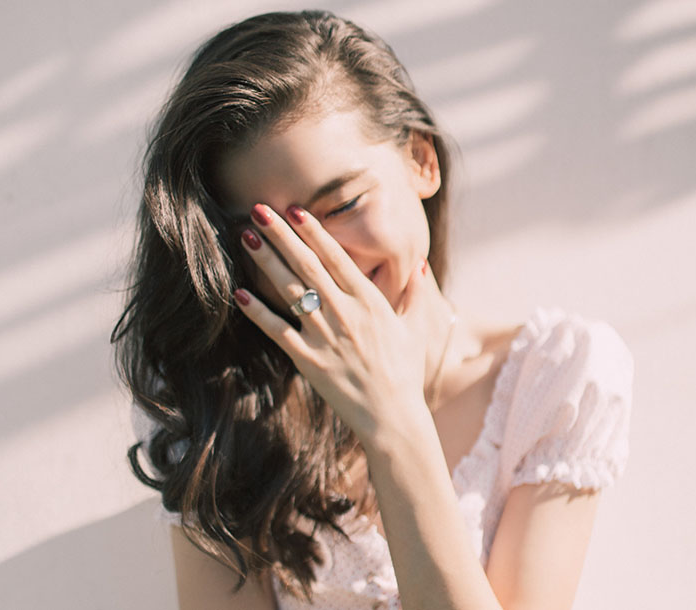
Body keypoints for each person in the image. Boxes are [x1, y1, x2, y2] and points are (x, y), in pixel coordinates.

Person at [113, 10, 634, 610]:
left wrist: (392, 419)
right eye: (274, 238)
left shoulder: (555, 378)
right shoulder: (210, 402)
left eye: (341, 204)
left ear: (421, 160)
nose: (321, 261)